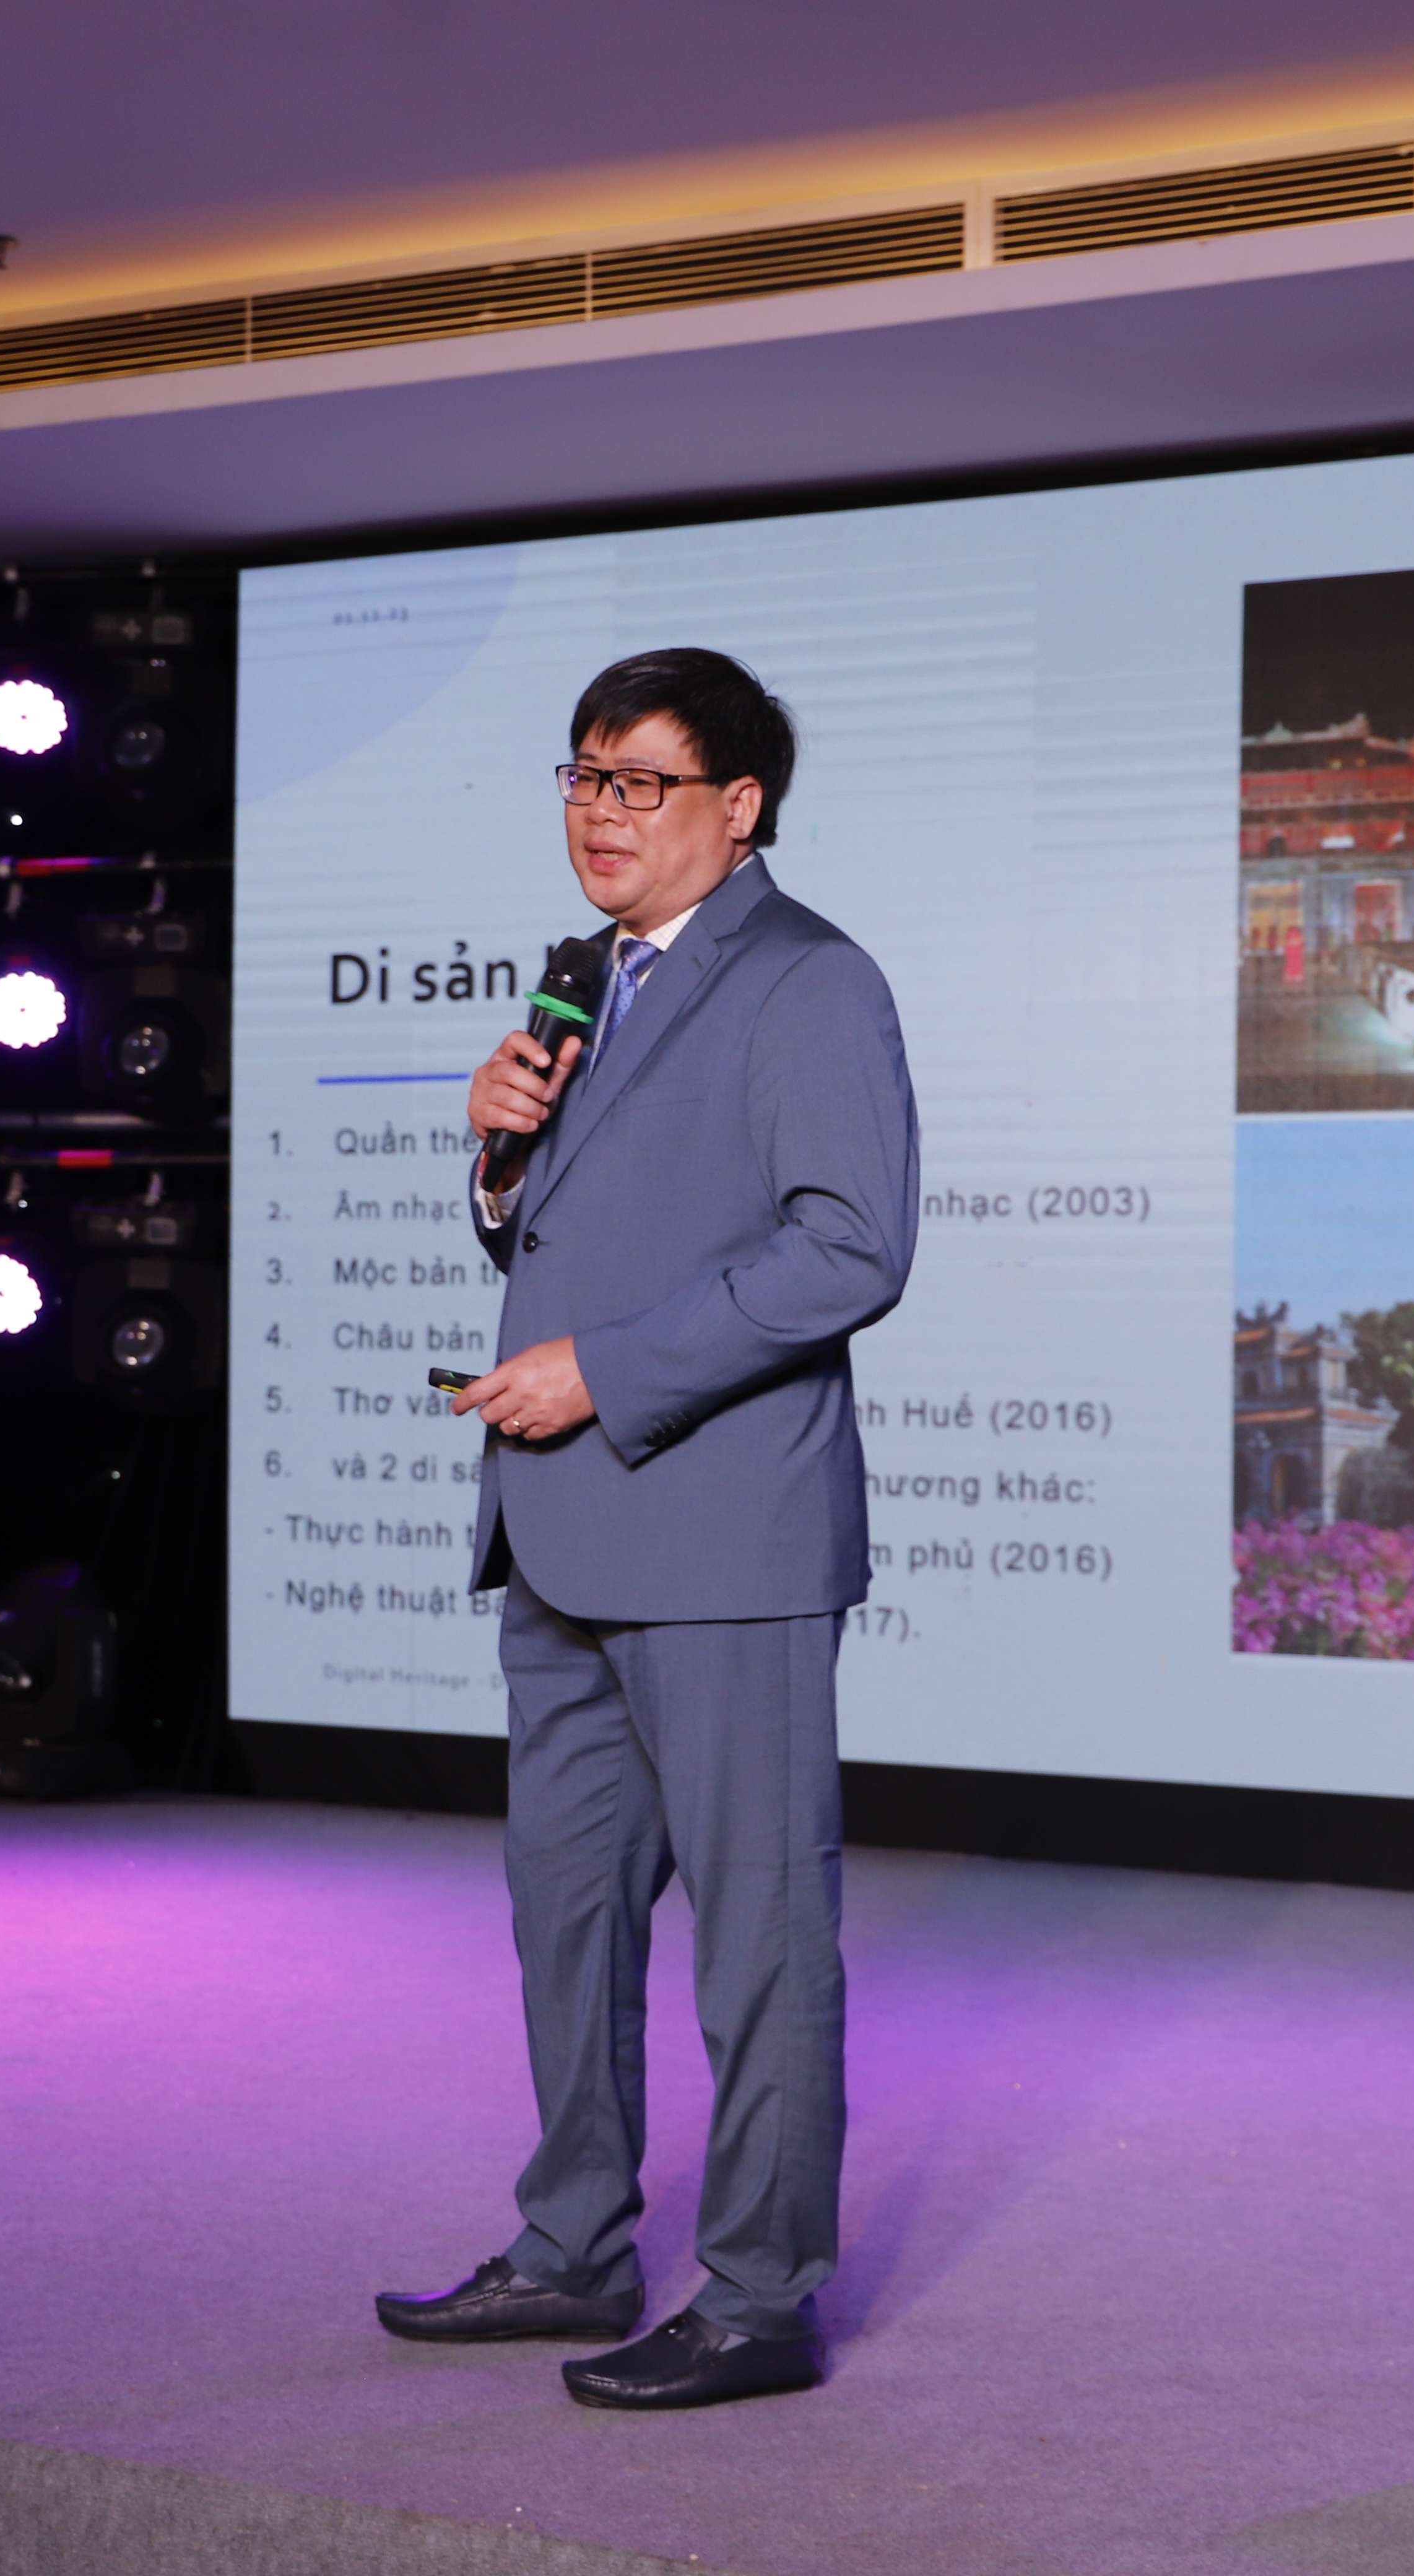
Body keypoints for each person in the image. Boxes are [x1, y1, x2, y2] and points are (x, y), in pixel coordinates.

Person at [373, 648, 918, 2410]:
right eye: (583, 777)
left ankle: (759, 2299)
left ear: (739, 806)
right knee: (568, 1919)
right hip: (558, 1533)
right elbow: (570, 1221)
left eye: (640, 782)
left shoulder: (812, 978)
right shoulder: (587, 978)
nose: (600, 812)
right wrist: (494, 1158)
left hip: (723, 1535)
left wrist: (605, 1373)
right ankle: (572, 2247)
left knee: (760, 1939)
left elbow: (852, 1248)